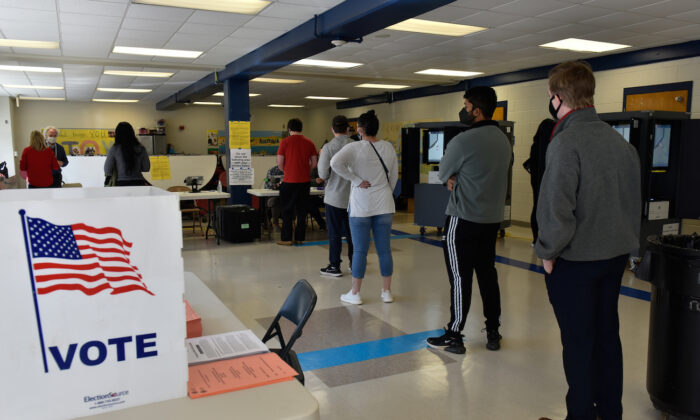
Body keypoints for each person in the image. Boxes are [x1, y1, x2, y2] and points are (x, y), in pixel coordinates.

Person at [535, 61, 641, 420]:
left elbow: (556, 206)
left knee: (578, 344)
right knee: (607, 338)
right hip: (613, 259)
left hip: (576, 262)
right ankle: (610, 413)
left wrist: (548, 252)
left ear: (558, 98)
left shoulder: (566, 142)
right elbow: (631, 201)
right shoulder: (620, 143)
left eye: (550, 95)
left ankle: (580, 415)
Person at [426, 86, 512, 354]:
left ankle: (454, 334)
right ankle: (494, 332)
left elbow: (443, 174)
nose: (463, 110)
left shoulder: (463, 141)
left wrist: (453, 177)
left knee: (460, 278)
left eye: (465, 106)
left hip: (462, 220)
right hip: (490, 221)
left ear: (476, 109)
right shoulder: (503, 140)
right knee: (487, 274)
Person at [330, 110, 397, 304]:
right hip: (384, 204)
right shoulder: (388, 147)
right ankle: (386, 292)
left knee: (360, 250)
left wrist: (356, 180)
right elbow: (393, 177)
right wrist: (384, 191)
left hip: (361, 206)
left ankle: (355, 293)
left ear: (360, 130)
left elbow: (335, 163)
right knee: (385, 250)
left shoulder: (355, 147)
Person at [317, 115, 354, 277]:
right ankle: (355, 263)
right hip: (354, 198)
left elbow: (322, 174)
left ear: (332, 129)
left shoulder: (328, 148)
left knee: (335, 234)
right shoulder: (357, 146)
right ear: (347, 129)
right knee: (354, 233)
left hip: (334, 197)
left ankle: (334, 265)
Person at [276, 118, 318, 246]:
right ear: (301, 129)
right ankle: (300, 238)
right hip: (304, 182)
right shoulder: (310, 143)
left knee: (287, 211)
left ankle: (287, 238)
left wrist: (288, 171)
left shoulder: (284, 142)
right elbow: (314, 163)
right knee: (302, 211)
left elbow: (279, 164)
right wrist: (305, 170)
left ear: (289, 129)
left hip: (289, 181)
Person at [522, 118, 555, 245]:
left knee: (537, 207)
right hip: (544, 179)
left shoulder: (538, 141)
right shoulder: (550, 134)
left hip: (537, 180)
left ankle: (536, 239)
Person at [104, 122, 151, 186]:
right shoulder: (141, 148)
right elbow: (146, 168)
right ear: (132, 133)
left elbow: (107, 170)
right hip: (139, 183)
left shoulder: (114, 149)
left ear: (117, 134)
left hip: (121, 184)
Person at [264, 164, 284, 229]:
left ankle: (288, 222)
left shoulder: (290, 170)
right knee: (274, 200)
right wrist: (275, 185)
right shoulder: (272, 170)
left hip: (285, 196)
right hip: (272, 196)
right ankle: (275, 223)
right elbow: (267, 183)